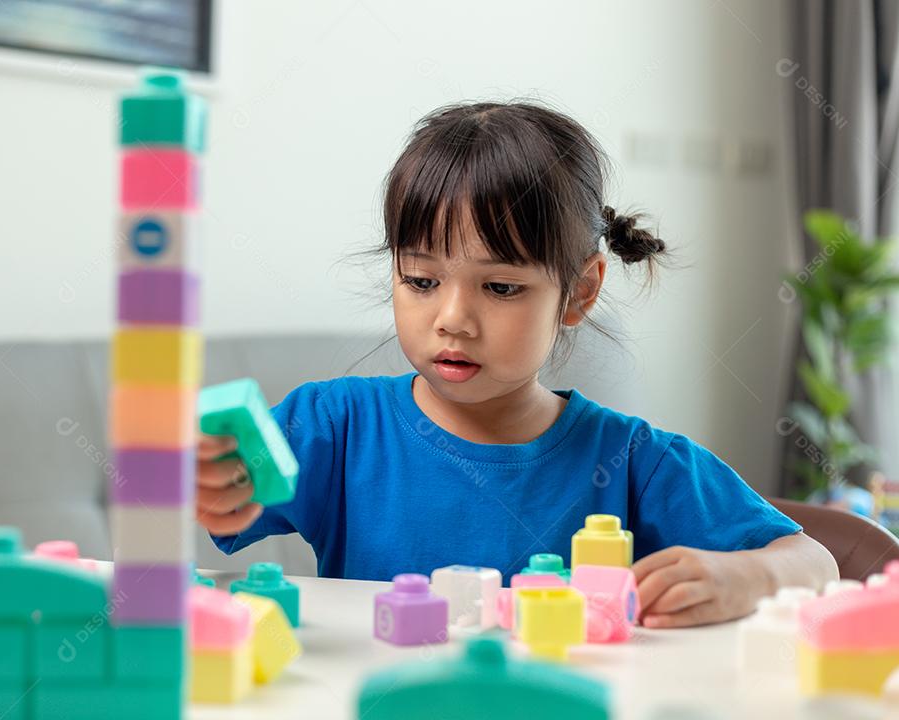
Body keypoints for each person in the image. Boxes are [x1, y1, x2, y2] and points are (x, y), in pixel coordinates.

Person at [196, 101, 838, 628]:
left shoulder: (634, 459)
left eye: (500, 288)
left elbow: (814, 561)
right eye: (421, 280)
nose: (452, 318)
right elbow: (207, 490)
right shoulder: (333, 427)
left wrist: (746, 575)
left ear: (579, 292)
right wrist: (210, 482)